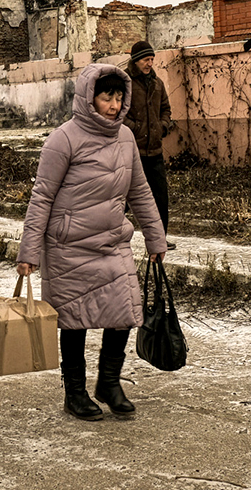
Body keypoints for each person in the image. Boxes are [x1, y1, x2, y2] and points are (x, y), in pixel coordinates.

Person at [17, 63, 167, 422]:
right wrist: (29, 251)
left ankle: (109, 383)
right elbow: (41, 198)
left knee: (125, 313)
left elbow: (140, 191)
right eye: (106, 97)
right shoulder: (63, 139)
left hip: (112, 242)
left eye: (118, 97)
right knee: (74, 320)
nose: (114, 105)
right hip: (69, 246)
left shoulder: (126, 138)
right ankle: (76, 393)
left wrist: (155, 237)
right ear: (89, 97)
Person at [125, 40, 174, 250]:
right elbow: (118, 113)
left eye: (152, 59)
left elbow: (166, 109)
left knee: (160, 198)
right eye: (146, 59)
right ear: (136, 61)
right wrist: (135, 128)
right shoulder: (125, 83)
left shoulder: (157, 84)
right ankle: (107, 234)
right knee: (123, 198)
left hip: (154, 151)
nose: (150, 63)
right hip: (131, 151)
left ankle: (159, 240)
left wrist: (162, 127)